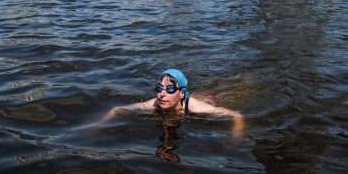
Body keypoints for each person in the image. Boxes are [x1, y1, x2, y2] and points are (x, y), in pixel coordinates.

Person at [99, 69, 244, 134]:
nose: (162, 94)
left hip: (202, 99)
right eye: (159, 88)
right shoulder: (154, 103)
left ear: (180, 93)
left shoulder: (196, 107)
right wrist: (96, 127)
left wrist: (236, 135)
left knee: (222, 92)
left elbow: (236, 114)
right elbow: (116, 109)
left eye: (169, 89)